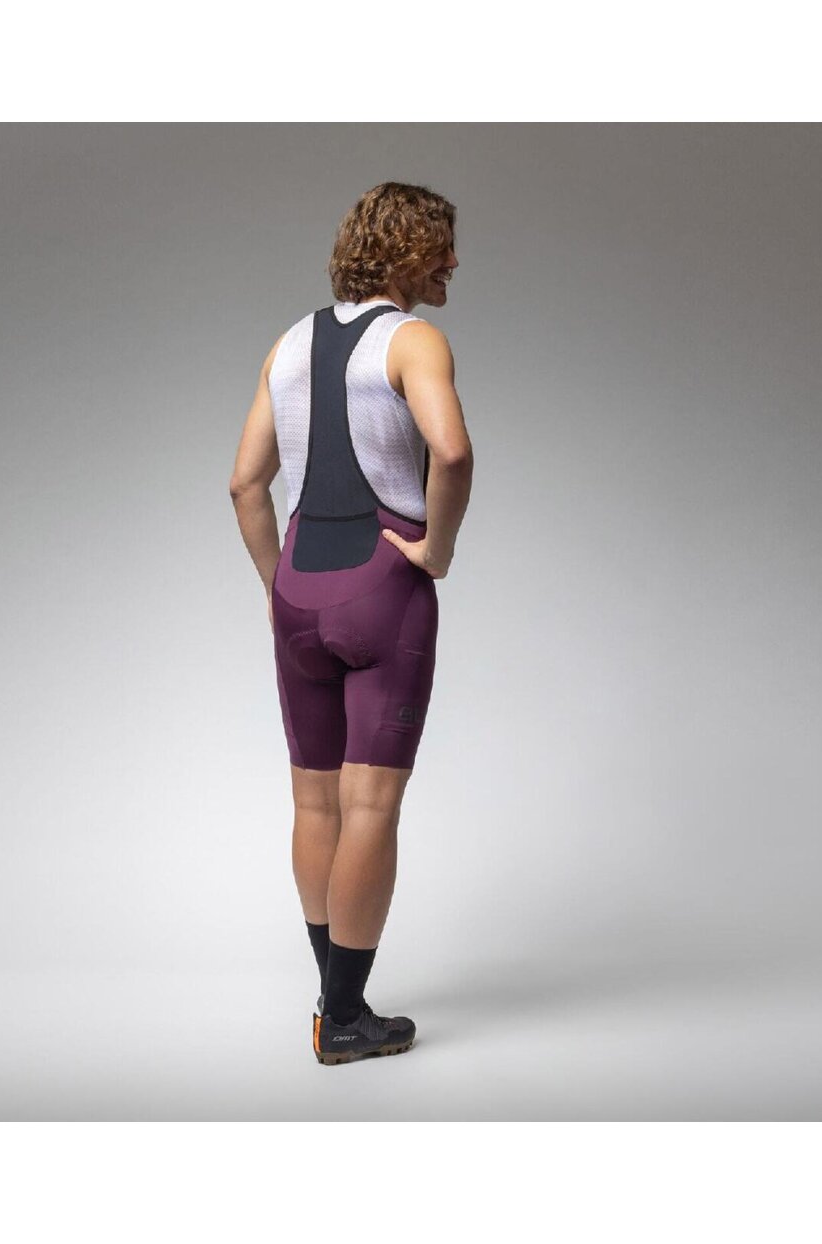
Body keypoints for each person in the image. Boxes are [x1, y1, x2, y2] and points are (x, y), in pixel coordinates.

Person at [229, 182, 473, 1065]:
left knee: (313, 800)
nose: (453, 263)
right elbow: (451, 450)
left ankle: (333, 1001)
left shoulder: (288, 343)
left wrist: (278, 587)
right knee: (370, 803)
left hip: (298, 587)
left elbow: (244, 484)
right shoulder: (414, 340)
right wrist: (436, 550)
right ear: (406, 249)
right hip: (382, 587)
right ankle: (344, 1017)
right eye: (441, 247)